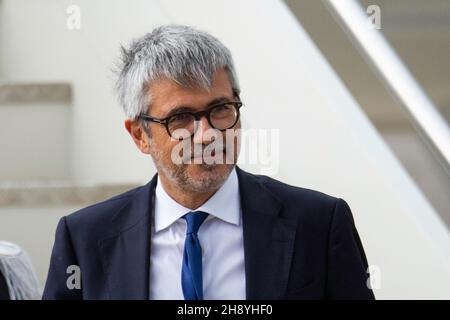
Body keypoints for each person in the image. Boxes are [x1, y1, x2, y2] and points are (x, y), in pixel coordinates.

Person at [42, 25, 374, 300]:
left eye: (220, 110)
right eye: (181, 117)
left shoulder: (318, 223)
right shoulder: (85, 237)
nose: (207, 135)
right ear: (139, 135)